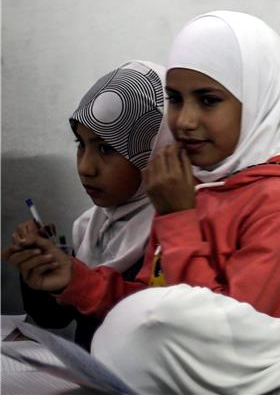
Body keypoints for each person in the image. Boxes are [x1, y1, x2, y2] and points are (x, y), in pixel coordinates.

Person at [6, 11, 280, 328]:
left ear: (257, 100)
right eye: (175, 99)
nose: (184, 121)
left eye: (208, 100)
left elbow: (229, 338)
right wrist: (74, 280)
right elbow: (153, 308)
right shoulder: (198, 187)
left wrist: (179, 219)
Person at [9, 60, 171, 349]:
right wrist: (41, 271)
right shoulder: (90, 226)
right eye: (80, 144)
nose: (85, 167)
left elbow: (158, 326)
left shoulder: (175, 230)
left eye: (106, 148)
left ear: (153, 150)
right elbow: (56, 318)